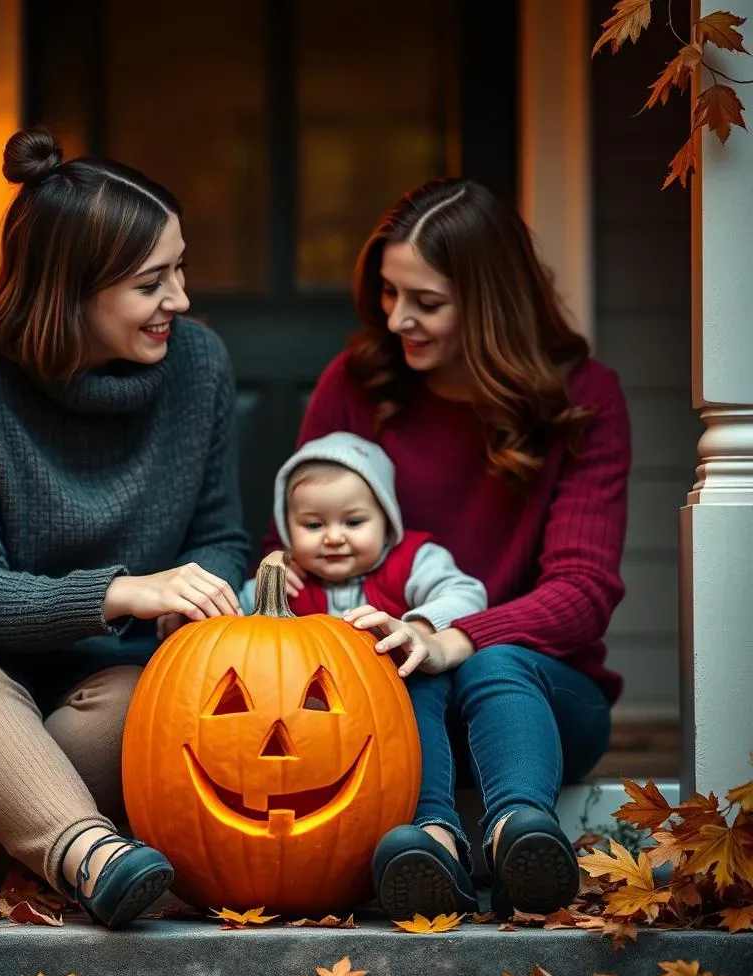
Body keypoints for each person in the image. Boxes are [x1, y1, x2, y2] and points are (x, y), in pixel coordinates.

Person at [0, 127, 250, 928]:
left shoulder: (199, 364)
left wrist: (188, 593)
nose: (181, 300)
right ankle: (95, 858)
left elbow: (221, 535)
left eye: (181, 269)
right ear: (70, 291)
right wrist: (126, 590)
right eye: (151, 282)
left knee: (153, 713)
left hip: (106, 672)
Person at [267, 179, 629, 920]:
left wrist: (449, 636)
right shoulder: (357, 384)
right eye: (390, 293)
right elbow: (302, 544)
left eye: (425, 302)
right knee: (415, 679)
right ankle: (434, 840)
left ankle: (517, 837)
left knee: (491, 662)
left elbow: (584, 591)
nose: (399, 318)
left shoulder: (582, 402)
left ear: (489, 301)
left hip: (539, 702)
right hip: (384, 712)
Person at [239, 432, 487, 677]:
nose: (334, 538)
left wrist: (421, 627)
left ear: (387, 521)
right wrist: (268, 583)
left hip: (404, 682)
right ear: (287, 530)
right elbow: (231, 624)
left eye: (353, 522)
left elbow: (467, 594)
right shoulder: (289, 581)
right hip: (306, 691)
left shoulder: (413, 561)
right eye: (314, 525)